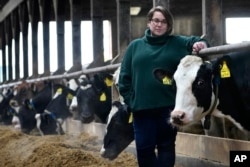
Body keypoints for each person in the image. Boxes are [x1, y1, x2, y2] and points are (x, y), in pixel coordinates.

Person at [118, 5, 209, 167]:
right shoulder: (135, 46)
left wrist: (200, 44)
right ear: (149, 23)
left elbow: (197, 41)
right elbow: (124, 78)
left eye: (163, 22)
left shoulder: (176, 43)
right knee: (144, 149)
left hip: (167, 109)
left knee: (166, 148)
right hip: (141, 109)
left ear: (168, 26)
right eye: (155, 21)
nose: (159, 24)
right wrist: (131, 100)